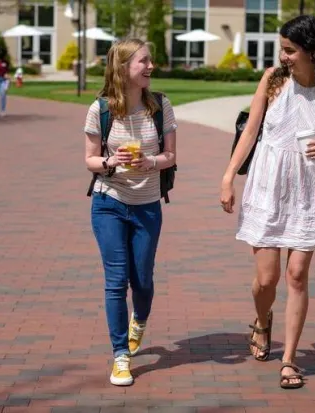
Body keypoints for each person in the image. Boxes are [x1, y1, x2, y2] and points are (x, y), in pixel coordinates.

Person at [220, 15, 315, 390]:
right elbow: (250, 131)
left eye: (290, 50)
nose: (283, 56)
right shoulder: (274, 79)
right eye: (283, 48)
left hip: (307, 190)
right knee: (267, 279)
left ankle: (289, 359)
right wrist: (229, 177)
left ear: (311, 51)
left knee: (296, 275)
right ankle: (262, 321)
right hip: (267, 185)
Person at [84, 37, 178, 386]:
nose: (151, 66)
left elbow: (171, 156)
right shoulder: (101, 109)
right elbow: (90, 160)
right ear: (123, 68)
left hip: (147, 206)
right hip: (108, 203)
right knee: (115, 281)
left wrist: (149, 160)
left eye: (150, 61)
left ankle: (139, 319)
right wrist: (111, 161)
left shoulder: (161, 106)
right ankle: (120, 356)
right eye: (144, 62)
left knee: (142, 279)